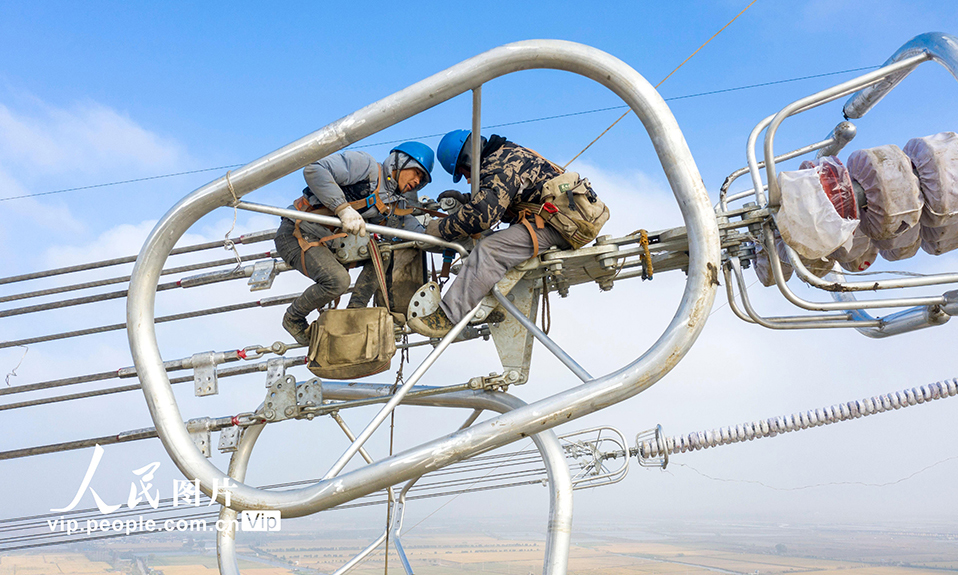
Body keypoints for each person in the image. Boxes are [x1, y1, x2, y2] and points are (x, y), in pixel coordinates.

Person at [409, 130, 595, 338]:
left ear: (468, 157)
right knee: (491, 242)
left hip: (559, 225)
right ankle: (491, 303)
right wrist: (467, 198)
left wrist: (442, 229)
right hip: (558, 222)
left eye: (465, 171)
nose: (468, 179)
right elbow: (501, 195)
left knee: (490, 250)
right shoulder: (504, 155)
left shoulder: (501, 162)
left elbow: (483, 214)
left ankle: (447, 317)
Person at [275, 142, 434, 345]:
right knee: (337, 281)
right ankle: (293, 318)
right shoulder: (366, 167)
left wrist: (450, 231)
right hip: (297, 234)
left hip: (331, 245)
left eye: (422, 179)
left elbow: (415, 231)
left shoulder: (391, 202)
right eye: (417, 172)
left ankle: (355, 313)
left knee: (384, 252)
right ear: (400, 162)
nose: (416, 180)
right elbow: (314, 169)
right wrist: (342, 208)